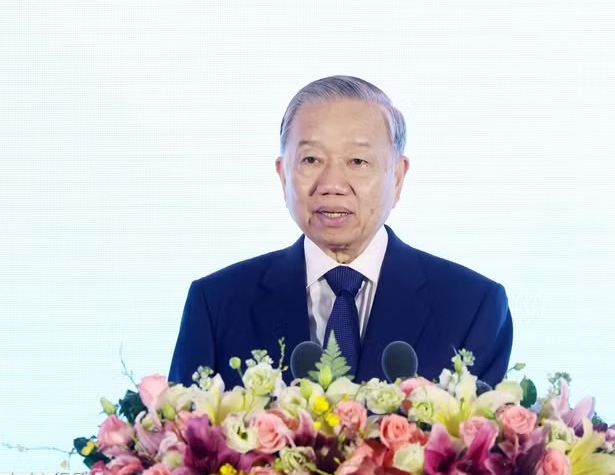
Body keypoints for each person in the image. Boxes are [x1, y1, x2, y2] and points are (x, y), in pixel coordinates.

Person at [168, 76, 512, 387]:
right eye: (311, 160)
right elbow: (181, 432)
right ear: (283, 174)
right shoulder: (217, 303)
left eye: (357, 161)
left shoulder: (472, 306)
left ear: (397, 176)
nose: (332, 184)